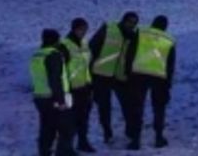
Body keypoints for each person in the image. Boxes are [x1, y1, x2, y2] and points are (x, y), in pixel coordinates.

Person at [124, 15, 176, 150]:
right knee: (159, 109)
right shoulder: (169, 40)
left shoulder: (141, 33)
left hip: (139, 75)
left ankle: (135, 141)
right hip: (159, 77)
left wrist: (128, 72)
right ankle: (159, 137)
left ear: (152, 23)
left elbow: (130, 53)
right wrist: (168, 84)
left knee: (137, 108)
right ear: (165, 26)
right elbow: (170, 65)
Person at [88, 12, 138, 144]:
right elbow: (92, 47)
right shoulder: (108, 29)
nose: (132, 25)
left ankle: (130, 131)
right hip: (101, 75)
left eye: (134, 23)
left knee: (128, 105)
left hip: (120, 76)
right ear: (124, 20)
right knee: (104, 107)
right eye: (130, 22)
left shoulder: (133, 37)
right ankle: (107, 132)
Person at [30, 29, 76, 156]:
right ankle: (64, 152)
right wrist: (60, 100)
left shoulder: (37, 55)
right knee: (66, 127)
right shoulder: (53, 55)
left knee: (47, 128)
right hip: (53, 98)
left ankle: (44, 152)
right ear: (56, 40)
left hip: (40, 97)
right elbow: (55, 79)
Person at [57, 19, 96, 153]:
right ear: (74, 29)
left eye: (85, 29)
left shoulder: (84, 43)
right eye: (82, 29)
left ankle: (82, 142)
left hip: (84, 87)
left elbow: (87, 65)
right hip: (71, 89)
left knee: (83, 118)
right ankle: (66, 148)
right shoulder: (64, 45)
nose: (84, 32)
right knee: (70, 121)